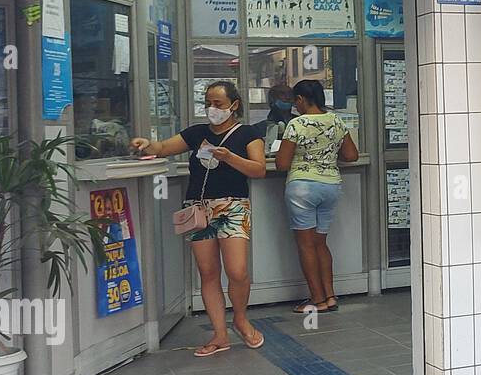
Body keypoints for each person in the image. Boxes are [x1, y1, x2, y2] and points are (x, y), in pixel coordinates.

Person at [131, 80, 266, 357]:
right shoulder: (197, 133)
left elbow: (258, 169)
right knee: (207, 272)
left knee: (237, 270)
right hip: (199, 208)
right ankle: (219, 334)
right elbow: (164, 147)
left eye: (218, 103)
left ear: (234, 105)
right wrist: (147, 145)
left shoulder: (248, 134)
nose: (212, 108)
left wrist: (229, 158)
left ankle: (240, 318)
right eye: (208, 103)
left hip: (233, 206)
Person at [276, 79, 359, 315]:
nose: (294, 105)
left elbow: (282, 164)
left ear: (301, 100)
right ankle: (330, 296)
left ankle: (317, 299)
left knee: (306, 245)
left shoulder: (296, 124)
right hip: (331, 187)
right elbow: (351, 155)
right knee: (320, 243)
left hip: (302, 188)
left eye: (295, 101)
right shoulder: (336, 120)